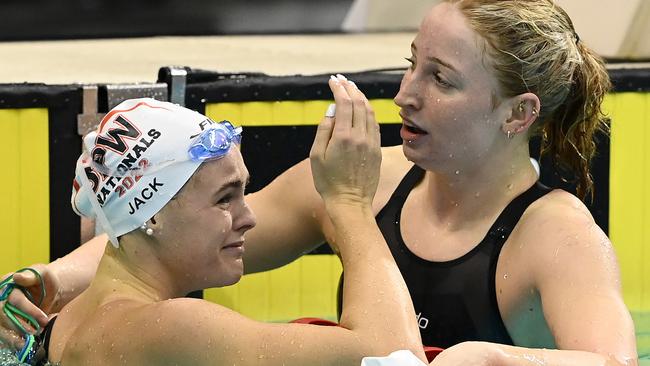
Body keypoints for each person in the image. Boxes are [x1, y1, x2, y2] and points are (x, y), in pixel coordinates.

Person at [2, 0, 639, 365]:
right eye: (409, 66)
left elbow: (613, 364)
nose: (404, 95)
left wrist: (499, 360)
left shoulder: (554, 235)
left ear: (518, 113)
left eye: (441, 80)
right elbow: (181, 231)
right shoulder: (363, 183)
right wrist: (53, 277)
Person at [1, 91, 427, 365]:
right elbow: (393, 358)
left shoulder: (67, 321)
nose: (249, 216)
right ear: (151, 214)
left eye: (244, 192)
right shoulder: (171, 328)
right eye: (225, 198)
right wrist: (351, 205)